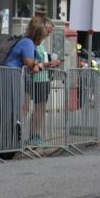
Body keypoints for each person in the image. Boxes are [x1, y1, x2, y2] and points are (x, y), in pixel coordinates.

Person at [0, 21, 42, 154]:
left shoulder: (24, 41)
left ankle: (5, 145)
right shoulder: (27, 42)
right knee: (11, 111)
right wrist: (36, 64)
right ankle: (6, 147)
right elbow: (28, 62)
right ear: (38, 35)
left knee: (9, 111)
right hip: (11, 77)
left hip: (9, 76)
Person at [26, 16, 61, 147]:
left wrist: (51, 63)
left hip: (43, 79)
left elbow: (41, 62)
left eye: (50, 31)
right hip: (34, 79)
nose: (48, 34)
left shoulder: (41, 43)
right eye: (48, 30)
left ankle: (36, 135)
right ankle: (31, 136)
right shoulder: (32, 42)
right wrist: (50, 63)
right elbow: (35, 62)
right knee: (31, 109)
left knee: (40, 110)